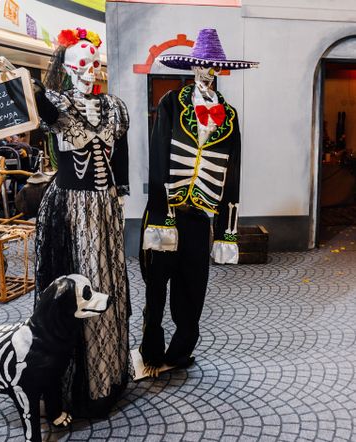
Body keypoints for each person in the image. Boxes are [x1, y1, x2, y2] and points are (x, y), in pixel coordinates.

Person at [139, 29, 258, 377]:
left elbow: (232, 174)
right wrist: (160, 215)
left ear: (221, 70)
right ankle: (150, 350)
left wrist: (226, 232)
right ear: (192, 66)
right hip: (168, 213)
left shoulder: (230, 116)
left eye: (214, 66)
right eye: (203, 64)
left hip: (199, 217)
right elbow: (158, 156)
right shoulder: (171, 103)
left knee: (193, 289)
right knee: (156, 287)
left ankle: (180, 352)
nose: (208, 71)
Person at [32, 28, 130, 420]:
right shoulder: (57, 104)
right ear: (69, 68)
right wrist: (13, 84)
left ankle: (107, 374)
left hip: (105, 210)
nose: (91, 70)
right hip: (73, 208)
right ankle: (80, 382)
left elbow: (119, 157)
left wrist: (120, 194)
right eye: (83, 63)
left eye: (95, 62)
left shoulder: (114, 107)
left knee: (107, 281)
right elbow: (38, 106)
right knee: (81, 283)